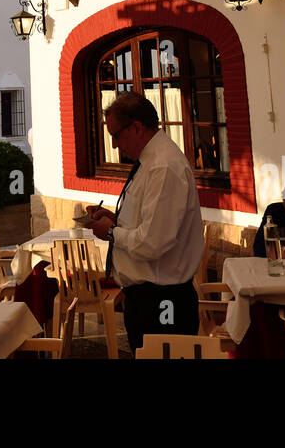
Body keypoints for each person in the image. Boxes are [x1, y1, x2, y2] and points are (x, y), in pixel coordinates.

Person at [86, 92, 204, 353]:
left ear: (137, 127)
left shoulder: (163, 166)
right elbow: (148, 224)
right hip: (147, 298)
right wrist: (114, 221)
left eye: (115, 135)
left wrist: (113, 232)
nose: (115, 146)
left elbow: (153, 242)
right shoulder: (151, 162)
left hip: (162, 300)